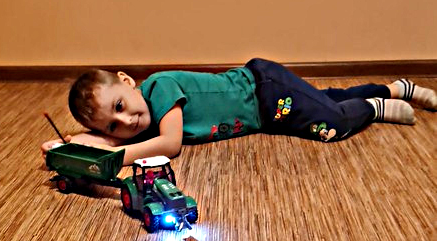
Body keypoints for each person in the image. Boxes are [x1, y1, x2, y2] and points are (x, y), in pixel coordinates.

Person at [41, 58, 436, 166]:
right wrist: (76, 145)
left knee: (328, 123)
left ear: (128, 82)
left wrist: (110, 153)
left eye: (120, 107)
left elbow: (170, 145)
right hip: (265, 110)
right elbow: (107, 137)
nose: (127, 122)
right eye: (114, 125)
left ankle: (372, 108)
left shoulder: (159, 88)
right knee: (326, 99)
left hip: (265, 92)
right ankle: (395, 88)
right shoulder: (139, 120)